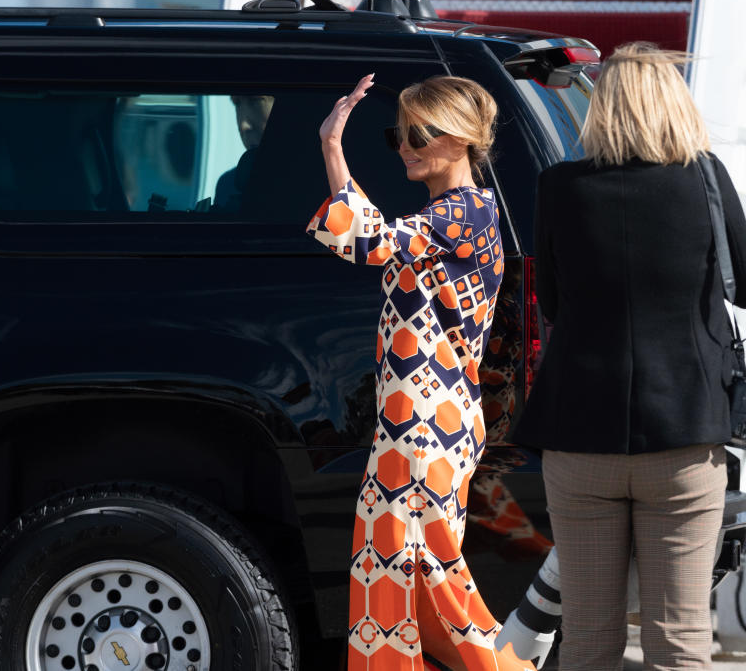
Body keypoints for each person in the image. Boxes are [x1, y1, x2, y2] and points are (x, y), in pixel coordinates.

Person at [510, 41, 746, 670]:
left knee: (588, 637)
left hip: (580, 436)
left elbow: (553, 302)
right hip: (685, 438)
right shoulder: (707, 179)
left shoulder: (558, 187)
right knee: (680, 637)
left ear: (604, 109)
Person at [308, 74, 534, 671]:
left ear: (460, 140)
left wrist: (333, 147)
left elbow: (369, 241)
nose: (405, 146)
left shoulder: (465, 213)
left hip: (426, 428)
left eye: (419, 133)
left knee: (418, 574)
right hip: (418, 424)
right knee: (403, 579)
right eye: (398, 134)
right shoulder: (451, 215)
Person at [214, 94, 274, 210]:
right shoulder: (228, 185)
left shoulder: (317, 184)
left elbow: (317, 228)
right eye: (237, 104)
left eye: (255, 102)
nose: (243, 125)